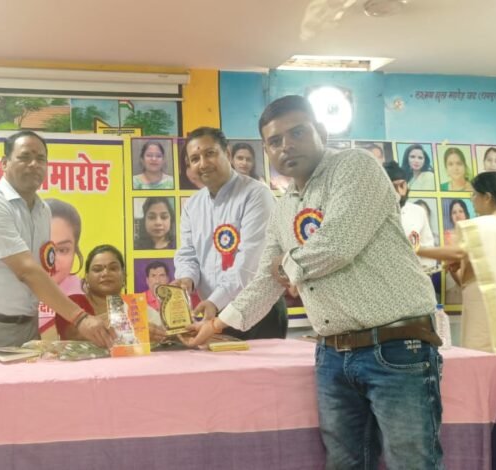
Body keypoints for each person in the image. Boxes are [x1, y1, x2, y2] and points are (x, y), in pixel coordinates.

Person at [182, 96, 442, 469]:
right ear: (266, 151)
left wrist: (286, 266)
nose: (286, 146)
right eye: (274, 141)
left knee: (412, 463)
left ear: (321, 131)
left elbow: (336, 245)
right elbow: (265, 280)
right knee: (344, 464)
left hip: (396, 345)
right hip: (333, 354)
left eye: (297, 133)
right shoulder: (285, 206)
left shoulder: (354, 167)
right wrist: (217, 324)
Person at [0, 131, 114, 355]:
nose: (34, 164)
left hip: (25, 329)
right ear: (4, 163)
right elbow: (26, 270)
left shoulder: (43, 211)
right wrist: (80, 318)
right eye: (24, 157)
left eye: (41, 159)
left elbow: (41, 266)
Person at [416, 172, 496, 431]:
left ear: (487, 197)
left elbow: (458, 251)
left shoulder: (487, 226)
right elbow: (472, 279)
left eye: (474, 195)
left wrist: (416, 249)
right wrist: (456, 271)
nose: (473, 200)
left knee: (486, 373)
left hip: (491, 317)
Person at [174, 126, 287, 340]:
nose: (203, 164)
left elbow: (249, 263)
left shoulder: (256, 195)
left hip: (258, 311)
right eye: (195, 159)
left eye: (210, 153)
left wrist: (215, 301)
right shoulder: (192, 206)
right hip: (211, 312)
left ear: (227, 153)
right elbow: (187, 254)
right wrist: (186, 279)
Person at [55, 244, 166, 342]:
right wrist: (131, 328)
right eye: (97, 269)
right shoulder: (73, 303)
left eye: (113, 268)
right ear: (87, 277)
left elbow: (164, 334)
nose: (105, 273)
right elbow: (73, 334)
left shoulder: (136, 307)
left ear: (123, 276)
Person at [383, 161, 436, 270]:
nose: (400, 192)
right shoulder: (375, 214)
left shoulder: (418, 212)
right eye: (394, 187)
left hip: (416, 273)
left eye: (402, 185)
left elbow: (427, 247)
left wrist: (425, 271)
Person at [46, 198, 84, 295]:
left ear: (75, 250)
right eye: (42, 248)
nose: (51, 261)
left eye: (62, 250)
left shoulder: (89, 295)